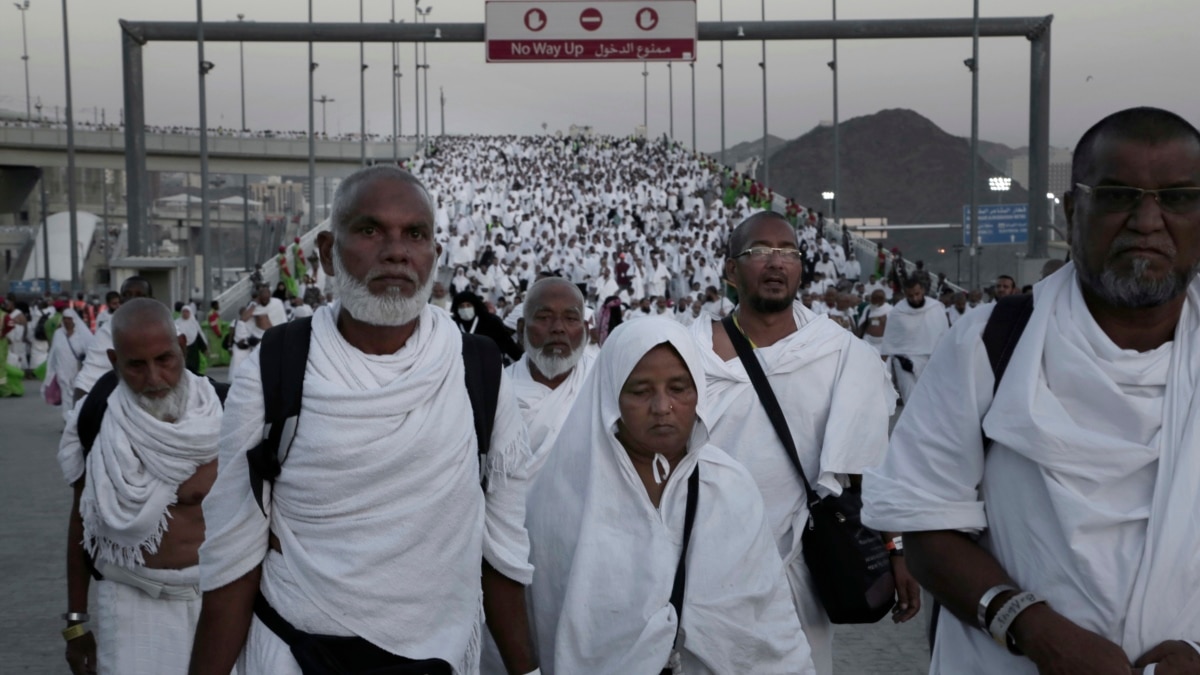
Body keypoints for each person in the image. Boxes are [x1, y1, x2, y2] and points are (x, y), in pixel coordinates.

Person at [863, 107, 1200, 674]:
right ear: (1073, 212)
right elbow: (924, 525)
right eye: (1118, 196)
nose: (1147, 220)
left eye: (1177, 197)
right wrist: (1032, 628)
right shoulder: (989, 343)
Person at [191, 165, 538, 675]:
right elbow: (233, 558)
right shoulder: (276, 368)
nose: (396, 251)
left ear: (434, 258)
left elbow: (502, 552)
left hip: (438, 653)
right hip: (296, 651)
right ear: (329, 252)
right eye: (371, 230)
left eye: (415, 234)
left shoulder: (478, 371)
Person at [527, 318, 815, 674]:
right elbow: (544, 612)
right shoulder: (566, 492)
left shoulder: (728, 486)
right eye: (640, 391)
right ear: (611, 395)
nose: (662, 407)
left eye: (679, 388)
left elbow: (768, 619)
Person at [687, 212, 907, 675]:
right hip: (702, 561)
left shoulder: (842, 354)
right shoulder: (691, 351)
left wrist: (897, 551)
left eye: (787, 252)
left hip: (797, 565)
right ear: (730, 270)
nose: (776, 262)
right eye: (759, 251)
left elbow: (868, 467)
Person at [57, 299, 224, 675]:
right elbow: (81, 525)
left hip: (218, 604)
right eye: (135, 365)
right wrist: (75, 622)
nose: (153, 378)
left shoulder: (226, 412)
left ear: (182, 346)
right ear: (115, 360)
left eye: (165, 359)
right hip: (130, 602)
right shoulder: (99, 419)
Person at [507, 277, 594, 477]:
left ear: (586, 331)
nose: (558, 328)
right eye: (544, 317)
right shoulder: (497, 390)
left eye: (571, 319)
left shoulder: (602, 384)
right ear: (521, 330)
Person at [73, 277, 154, 403]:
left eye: (140, 295)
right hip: (120, 409)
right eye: (127, 295)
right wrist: (79, 415)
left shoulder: (165, 327)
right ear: (121, 300)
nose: (132, 300)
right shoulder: (108, 331)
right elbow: (86, 380)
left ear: (151, 299)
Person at [880, 277, 950, 403]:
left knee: (932, 400)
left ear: (922, 290)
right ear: (905, 294)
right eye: (910, 295)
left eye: (917, 294)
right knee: (911, 402)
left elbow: (944, 335)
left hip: (931, 361)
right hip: (905, 362)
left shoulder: (936, 308)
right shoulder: (898, 312)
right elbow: (890, 342)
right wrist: (880, 369)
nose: (915, 298)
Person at [44, 308, 94, 420]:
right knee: (66, 397)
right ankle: (67, 421)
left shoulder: (81, 335)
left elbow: (90, 351)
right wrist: (51, 372)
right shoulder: (58, 334)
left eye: (69, 319)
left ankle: (77, 420)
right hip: (62, 372)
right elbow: (53, 354)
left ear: (74, 320)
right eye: (65, 318)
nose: (67, 321)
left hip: (78, 372)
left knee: (78, 397)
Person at [454, 290, 524, 362]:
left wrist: (523, 361)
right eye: (461, 306)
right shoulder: (453, 325)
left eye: (468, 305)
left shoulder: (491, 322)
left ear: (475, 306)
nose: (465, 309)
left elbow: (508, 345)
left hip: (488, 365)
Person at [175, 304, 208, 375]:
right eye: (184, 312)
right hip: (181, 349)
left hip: (193, 350)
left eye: (187, 312)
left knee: (193, 369)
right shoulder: (177, 323)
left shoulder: (194, 324)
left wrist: (204, 349)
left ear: (190, 313)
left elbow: (199, 337)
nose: (185, 313)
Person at [227, 303, 258, 376]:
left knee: (247, 364)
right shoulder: (235, 321)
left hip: (247, 348)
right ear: (240, 313)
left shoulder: (251, 322)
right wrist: (229, 346)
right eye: (243, 312)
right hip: (237, 348)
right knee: (236, 365)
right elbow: (231, 334)